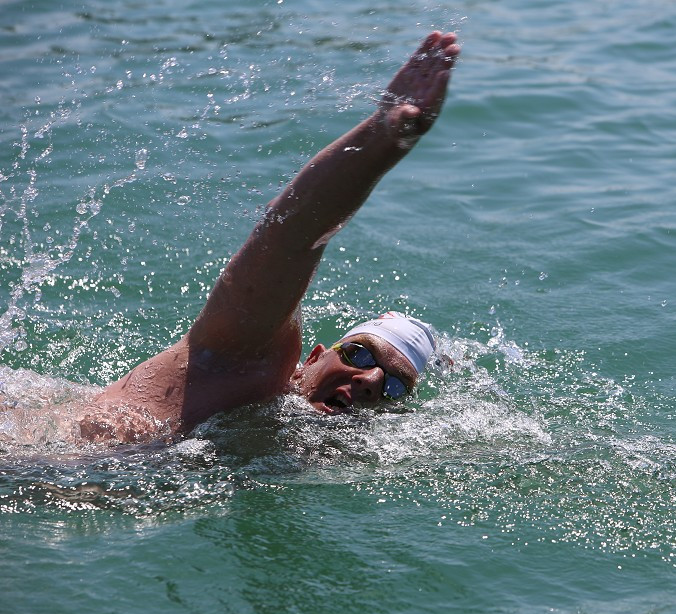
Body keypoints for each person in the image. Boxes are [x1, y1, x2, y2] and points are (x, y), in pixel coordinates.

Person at [77, 31, 460, 444]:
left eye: (394, 386)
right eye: (360, 353)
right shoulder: (247, 363)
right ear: (312, 358)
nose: (369, 379)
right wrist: (384, 139)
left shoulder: (306, 454)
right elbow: (294, 235)